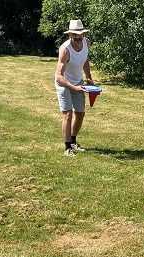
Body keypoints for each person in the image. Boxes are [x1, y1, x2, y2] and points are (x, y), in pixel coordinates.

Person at [55, 19, 94, 157]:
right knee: (68, 113)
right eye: (75, 35)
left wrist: (88, 78)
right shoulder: (65, 49)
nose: (78, 37)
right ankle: (67, 148)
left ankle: (73, 141)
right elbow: (59, 76)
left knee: (80, 113)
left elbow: (85, 61)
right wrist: (73, 87)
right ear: (70, 35)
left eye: (80, 34)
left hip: (78, 82)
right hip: (63, 83)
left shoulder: (86, 43)